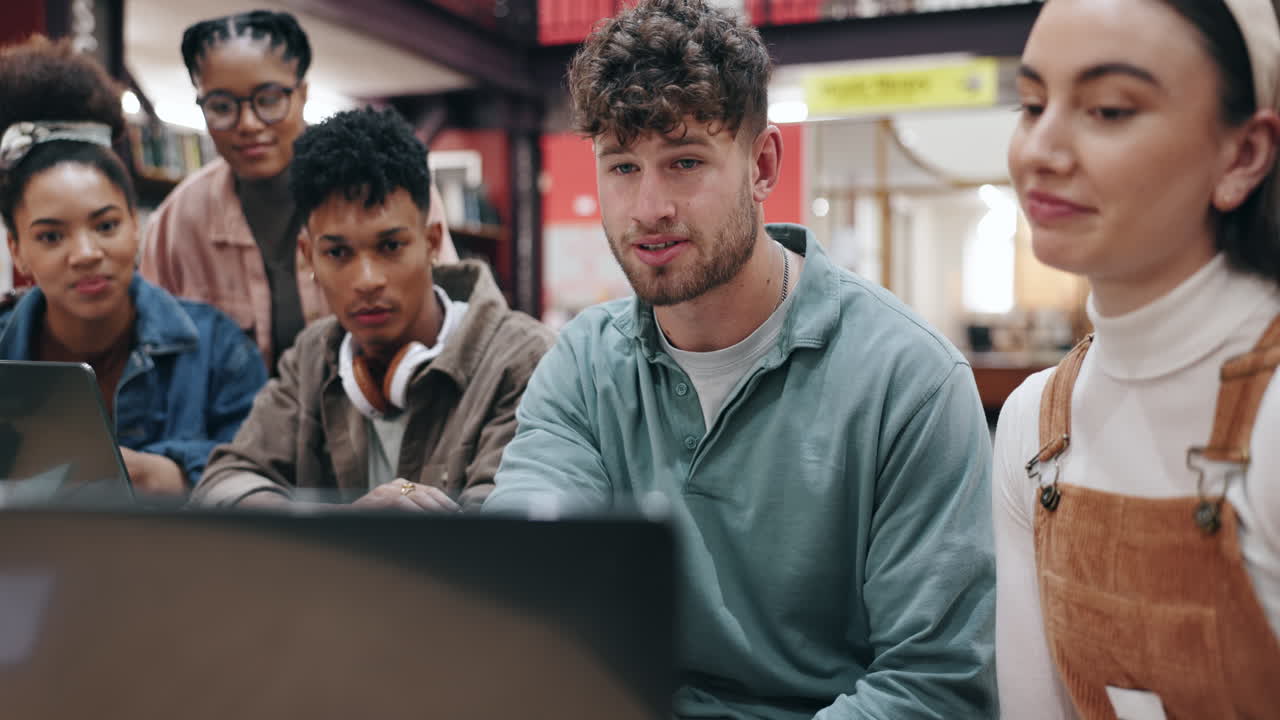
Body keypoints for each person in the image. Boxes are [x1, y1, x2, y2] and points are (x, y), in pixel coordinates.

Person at [482, 1, 997, 716]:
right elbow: (530, 578)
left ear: (762, 164)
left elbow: (934, 687)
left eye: (685, 161)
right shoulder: (583, 366)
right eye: (623, 166)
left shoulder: (909, 380)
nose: (649, 206)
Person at [994, 0, 1280, 717]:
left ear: (1243, 154)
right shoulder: (1035, 424)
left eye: (1110, 110)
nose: (1041, 151)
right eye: (1031, 104)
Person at [191, 107, 553, 512]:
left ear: (432, 242)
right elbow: (223, 484)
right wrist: (345, 524)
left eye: (390, 246)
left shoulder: (524, 359)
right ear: (308, 257)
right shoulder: (314, 355)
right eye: (338, 252)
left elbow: (509, 538)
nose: (366, 279)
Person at [0, 36, 266, 495]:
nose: (84, 253)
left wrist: (177, 477)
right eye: (50, 236)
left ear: (136, 225)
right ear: (17, 249)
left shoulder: (218, 351)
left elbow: (272, 480)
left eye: (105, 226)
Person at [140, 10, 458, 372]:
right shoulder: (177, 223)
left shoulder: (390, 188)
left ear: (303, 92)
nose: (248, 124)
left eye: (270, 99)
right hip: (238, 428)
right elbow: (156, 358)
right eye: (221, 106)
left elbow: (450, 323)